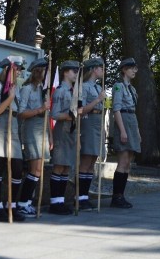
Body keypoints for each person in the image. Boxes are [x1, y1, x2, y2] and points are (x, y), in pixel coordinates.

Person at [0, 57, 25, 222]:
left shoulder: (16, 88)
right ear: (8, 70)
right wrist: (9, 98)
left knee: (17, 167)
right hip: (1, 124)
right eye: (16, 69)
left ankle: (12, 205)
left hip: (14, 125)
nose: (19, 72)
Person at [15, 57, 50, 217]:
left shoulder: (44, 88)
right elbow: (21, 113)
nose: (46, 73)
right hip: (31, 128)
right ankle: (23, 203)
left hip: (42, 129)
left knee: (39, 169)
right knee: (34, 168)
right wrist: (40, 109)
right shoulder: (27, 89)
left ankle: (27, 202)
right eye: (44, 70)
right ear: (38, 71)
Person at [49, 60, 80, 215]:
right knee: (59, 166)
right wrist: (70, 116)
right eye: (74, 71)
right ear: (65, 72)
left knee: (66, 167)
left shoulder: (72, 91)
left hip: (71, 132)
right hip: (62, 131)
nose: (76, 74)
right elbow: (54, 114)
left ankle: (60, 201)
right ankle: (55, 202)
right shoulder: (61, 91)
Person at [110, 58, 141, 208]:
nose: (135, 71)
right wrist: (122, 130)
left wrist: (137, 131)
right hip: (123, 121)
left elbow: (133, 111)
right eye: (131, 68)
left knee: (128, 162)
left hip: (131, 121)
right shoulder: (118, 87)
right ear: (123, 70)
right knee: (122, 161)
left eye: (135, 68)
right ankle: (116, 197)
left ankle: (121, 195)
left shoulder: (132, 89)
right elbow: (116, 109)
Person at [78, 57, 107, 210]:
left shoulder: (97, 87)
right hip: (88, 124)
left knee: (92, 161)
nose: (102, 71)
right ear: (93, 69)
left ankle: (85, 195)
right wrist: (98, 100)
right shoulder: (84, 87)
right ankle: (80, 196)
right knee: (86, 160)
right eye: (100, 68)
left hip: (97, 123)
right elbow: (81, 110)